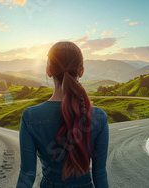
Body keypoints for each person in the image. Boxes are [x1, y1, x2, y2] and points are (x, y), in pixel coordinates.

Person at [17, 41, 109, 188]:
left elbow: (27, 175)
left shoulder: (30, 117)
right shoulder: (99, 117)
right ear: (81, 71)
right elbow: (100, 174)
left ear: (49, 71)